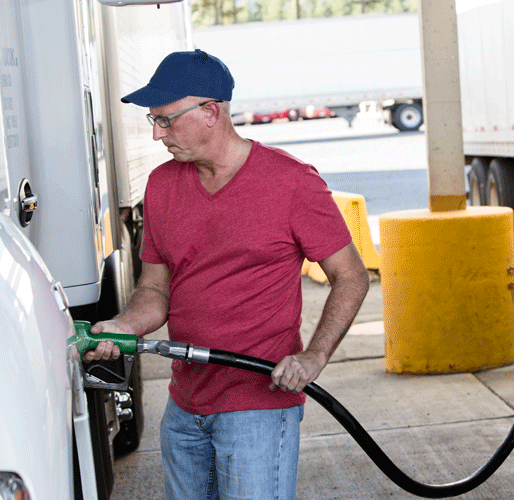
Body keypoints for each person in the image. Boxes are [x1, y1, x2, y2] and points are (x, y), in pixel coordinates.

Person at [82, 49, 370, 500]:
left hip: (256, 406)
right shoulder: (161, 186)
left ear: (211, 111)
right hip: (184, 406)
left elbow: (351, 275)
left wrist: (313, 358)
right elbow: (155, 289)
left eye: (166, 120)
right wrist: (122, 326)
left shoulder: (291, 183)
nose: (158, 135)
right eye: (152, 121)